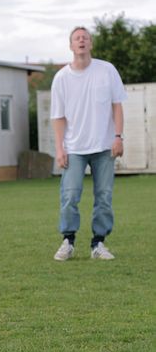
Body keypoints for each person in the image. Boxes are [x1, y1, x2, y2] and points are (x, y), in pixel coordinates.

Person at [51, 26, 127, 261]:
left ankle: (98, 244)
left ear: (91, 44)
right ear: (71, 46)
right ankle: (68, 241)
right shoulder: (62, 77)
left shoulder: (107, 71)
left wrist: (118, 136)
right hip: (74, 149)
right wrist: (60, 149)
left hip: (104, 147)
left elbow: (117, 105)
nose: (81, 40)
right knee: (70, 195)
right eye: (77, 38)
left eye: (85, 37)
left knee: (104, 196)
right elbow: (58, 117)